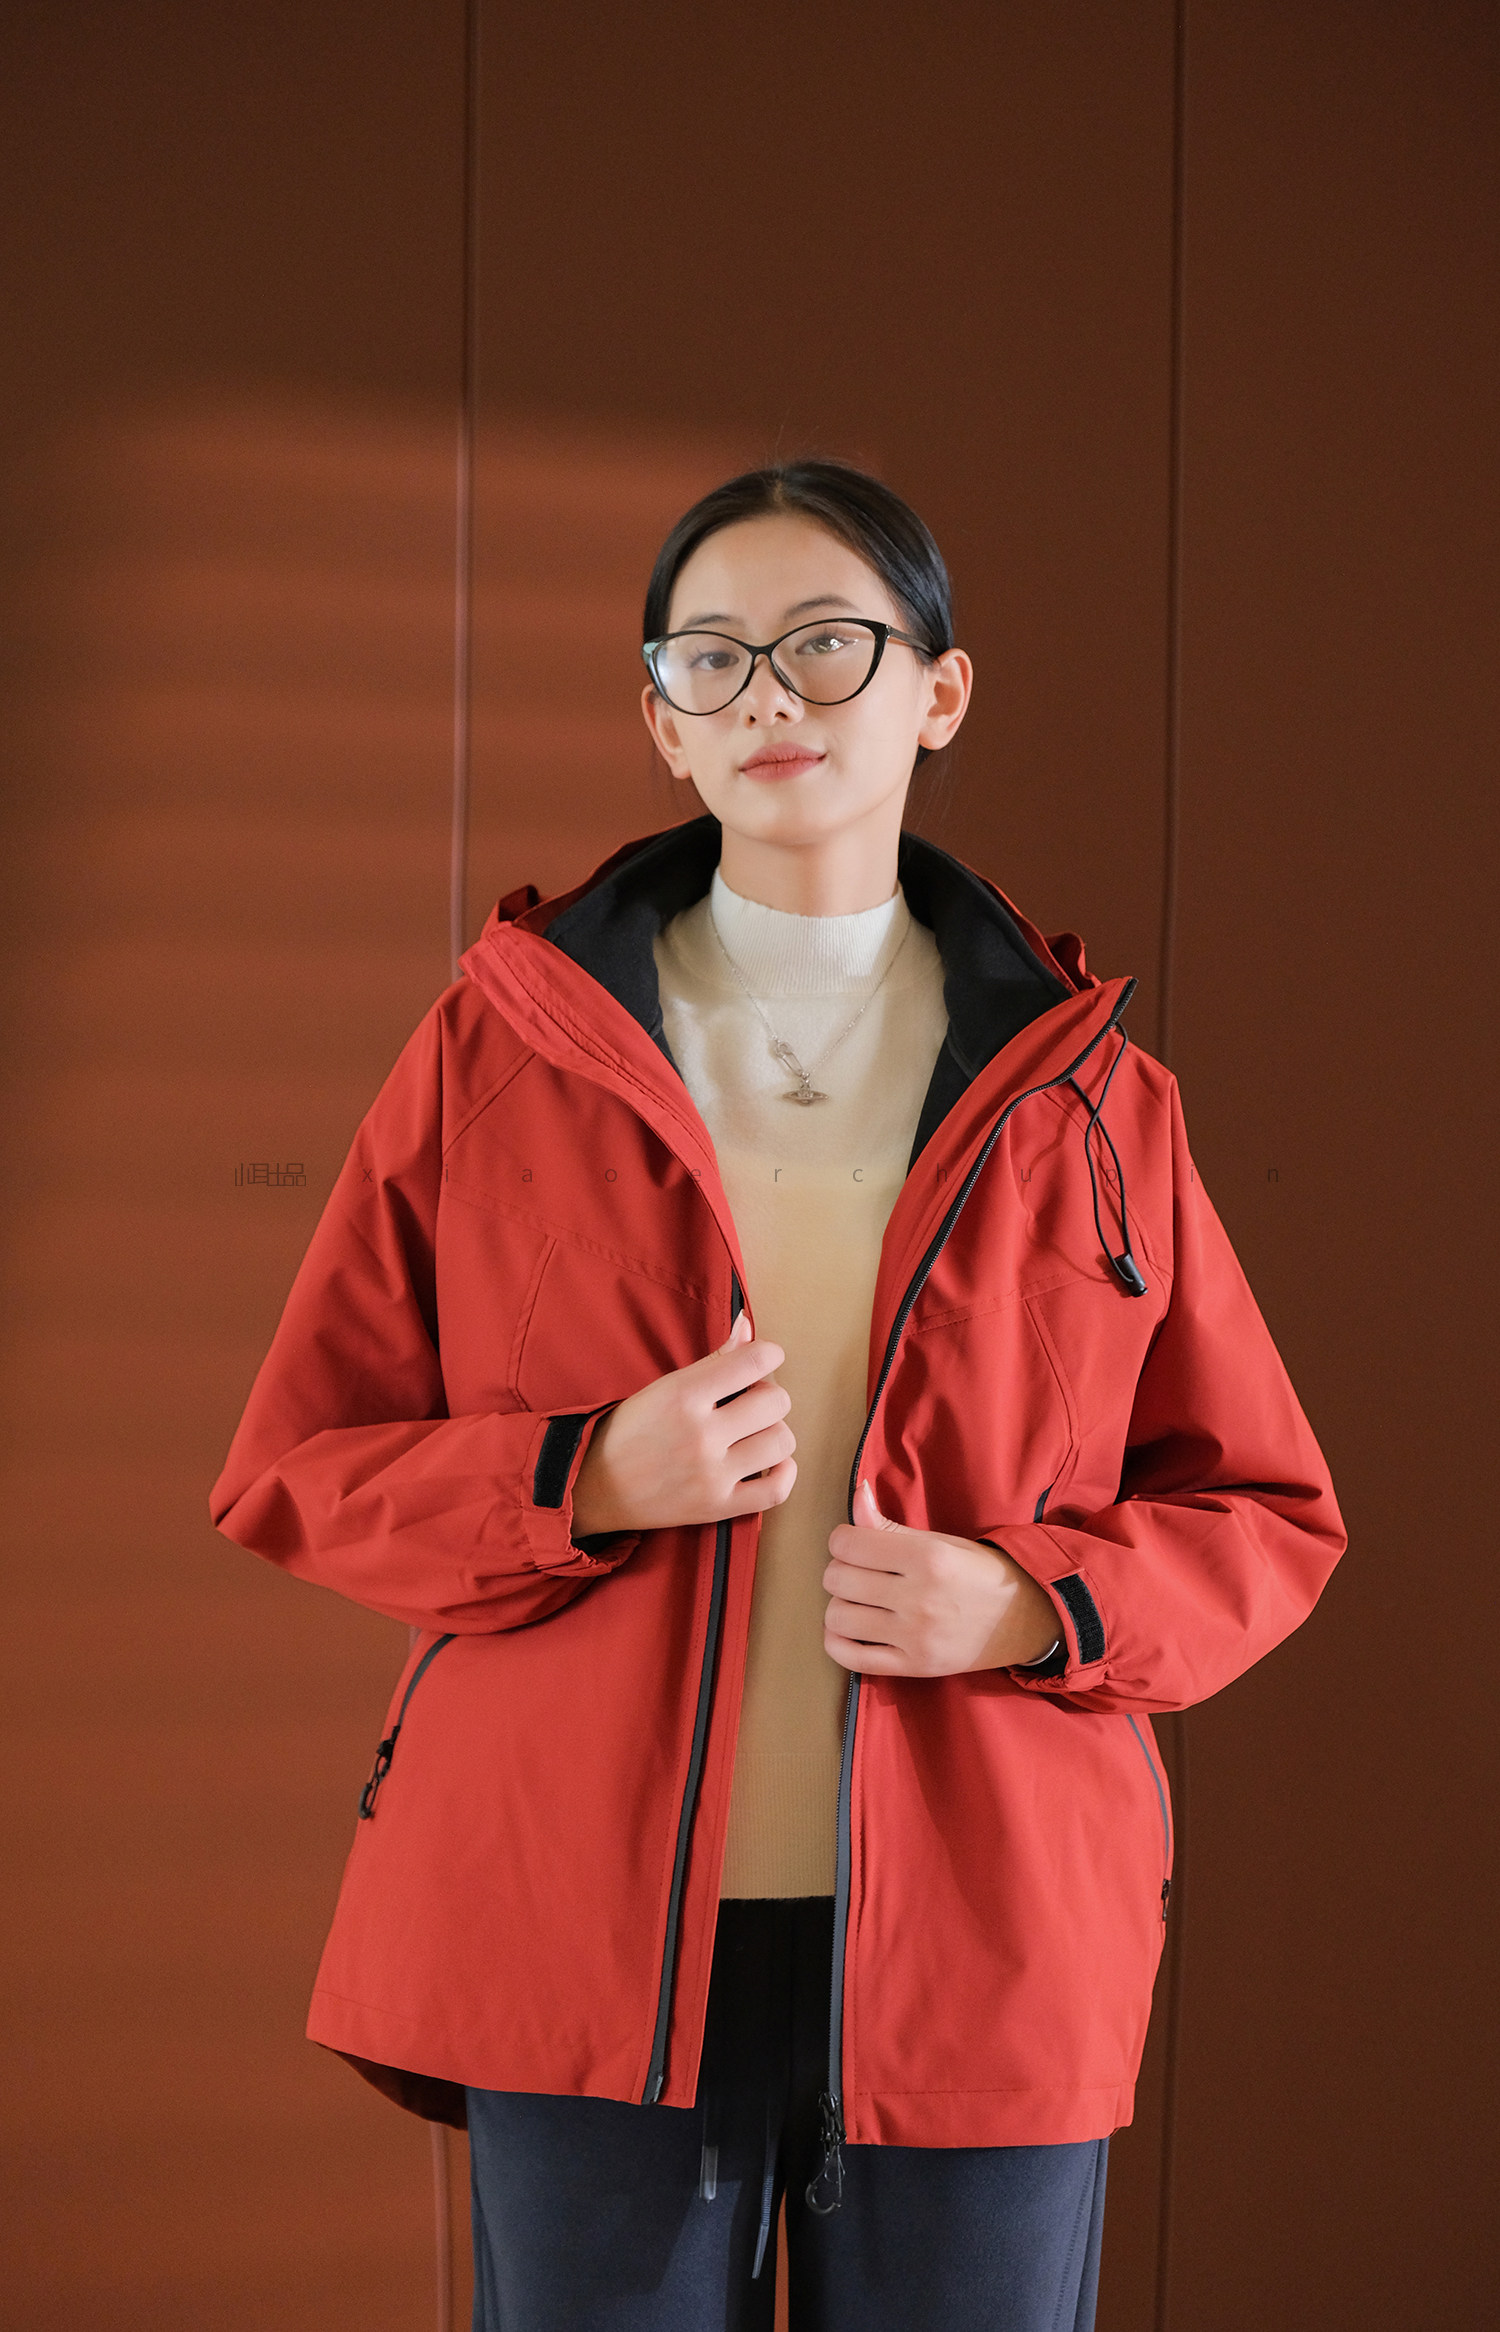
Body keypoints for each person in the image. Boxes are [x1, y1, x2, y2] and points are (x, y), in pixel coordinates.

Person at [210, 459, 1345, 2331]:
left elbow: (1268, 1516)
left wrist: (1030, 1601)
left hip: (987, 1930)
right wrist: (578, 1477)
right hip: (570, 1924)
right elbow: (298, 1466)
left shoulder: (1092, 1100)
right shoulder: (498, 1051)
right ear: (663, 720)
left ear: (939, 692)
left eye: (828, 644)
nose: (770, 698)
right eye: (713, 658)